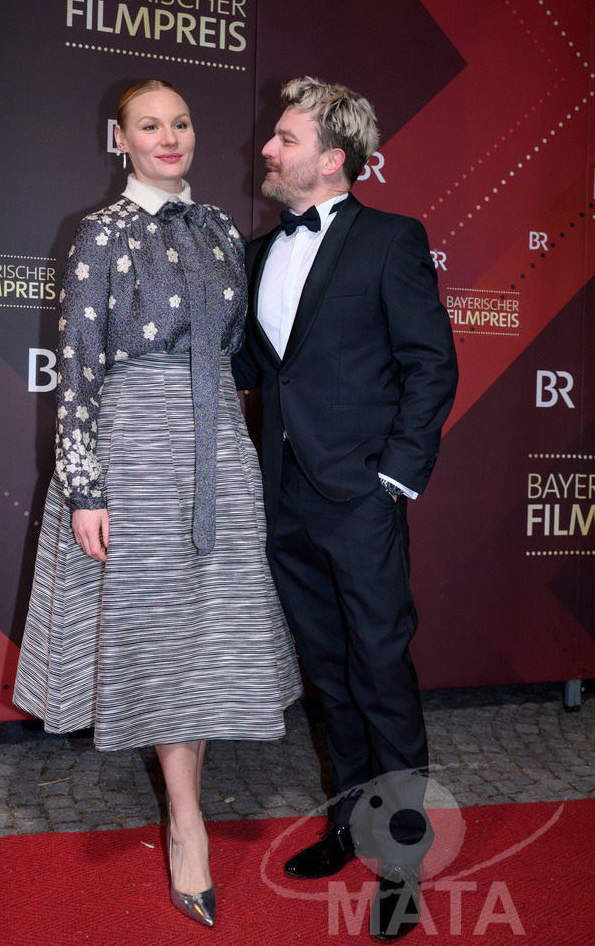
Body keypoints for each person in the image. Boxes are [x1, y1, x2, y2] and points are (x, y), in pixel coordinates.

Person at [14, 79, 302, 929]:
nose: (169, 137)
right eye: (150, 125)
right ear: (119, 138)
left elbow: (247, 349)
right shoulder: (98, 234)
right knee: (159, 624)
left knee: (206, 626)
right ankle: (187, 824)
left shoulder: (219, 229)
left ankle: (187, 806)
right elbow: (77, 366)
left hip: (219, 448)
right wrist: (85, 486)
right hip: (135, 449)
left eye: (180, 123)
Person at [232, 77, 458, 941]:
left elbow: (429, 365)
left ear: (332, 158)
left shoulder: (391, 240)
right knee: (328, 680)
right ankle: (343, 826)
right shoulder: (258, 252)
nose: (267, 149)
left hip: (360, 497)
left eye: (283, 138)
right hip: (284, 499)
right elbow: (257, 371)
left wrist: (394, 479)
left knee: (381, 677)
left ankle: (401, 859)